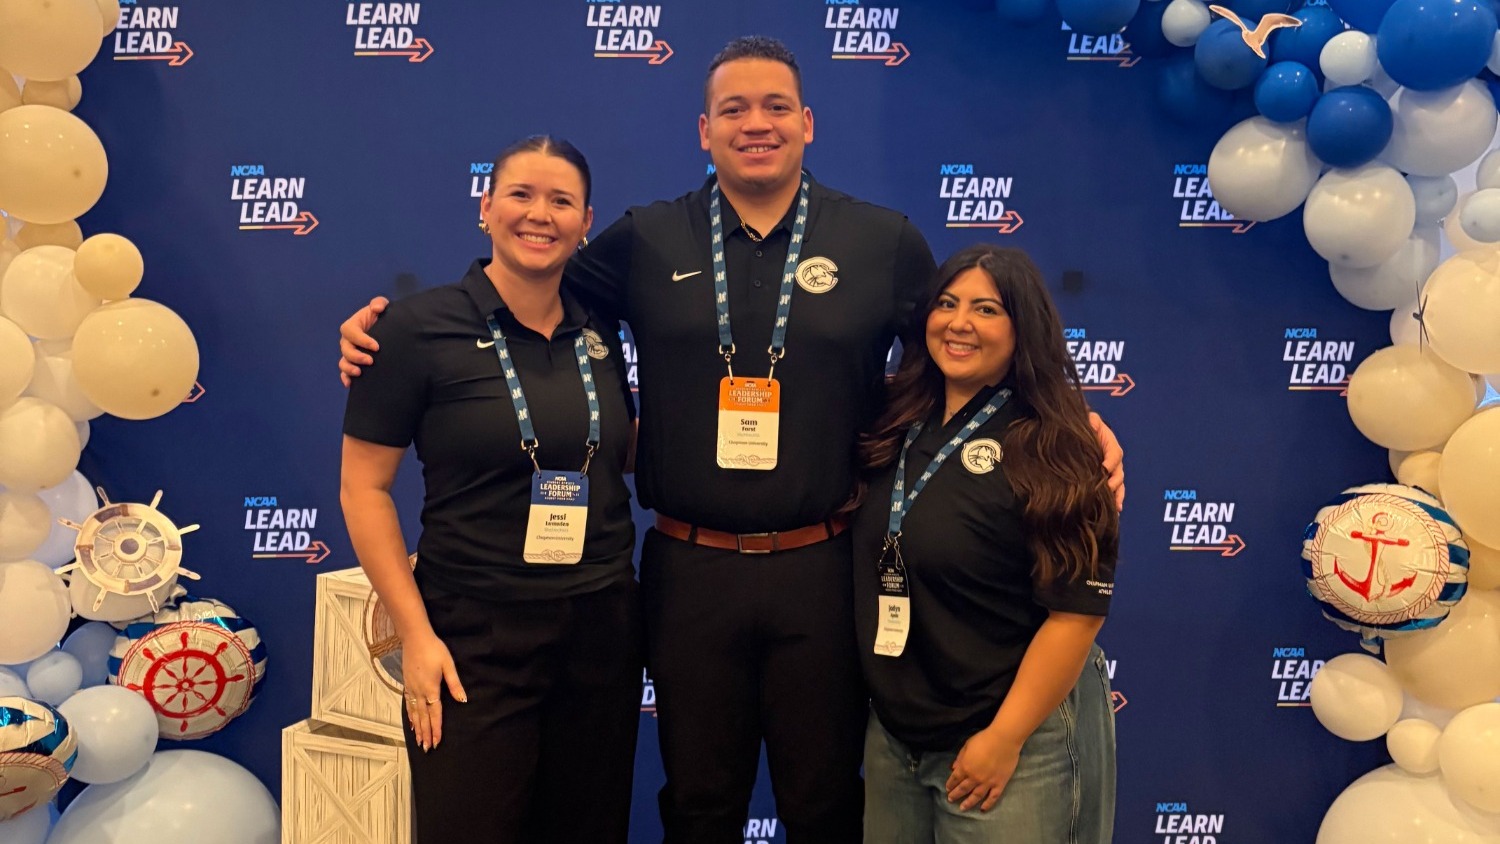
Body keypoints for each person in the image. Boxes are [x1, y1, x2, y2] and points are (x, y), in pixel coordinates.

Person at [340, 37, 1123, 844]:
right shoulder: (645, 239)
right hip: (688, 569)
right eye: (735, 109)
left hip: (823, 567)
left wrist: (1066, 421)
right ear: (703, 130)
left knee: (824, 802)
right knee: (700, 802)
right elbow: (524, 287)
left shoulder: (881, 242)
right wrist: (387, 335)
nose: (757, 124)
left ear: (809, 123)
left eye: (776, 106)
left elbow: (967, 349)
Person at [339, 136, 641, 844]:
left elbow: (614, 449)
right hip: (471, 635)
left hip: (600, 626)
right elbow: (363, 489)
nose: (540, 215)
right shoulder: (412, 330)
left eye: (561, 201)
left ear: (585, 220)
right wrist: (415, 635)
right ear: (486, 208)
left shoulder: (599, 326)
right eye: (521, 195)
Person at [854, 244, 1119, 843]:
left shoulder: (1059, 446)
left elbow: (1075, 616)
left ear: (1024, 328)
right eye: (947, 303)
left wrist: (1003, 739)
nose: (960, 323)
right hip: (898, 736)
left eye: (987, 309)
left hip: (1012, 740)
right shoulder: (893, 423)